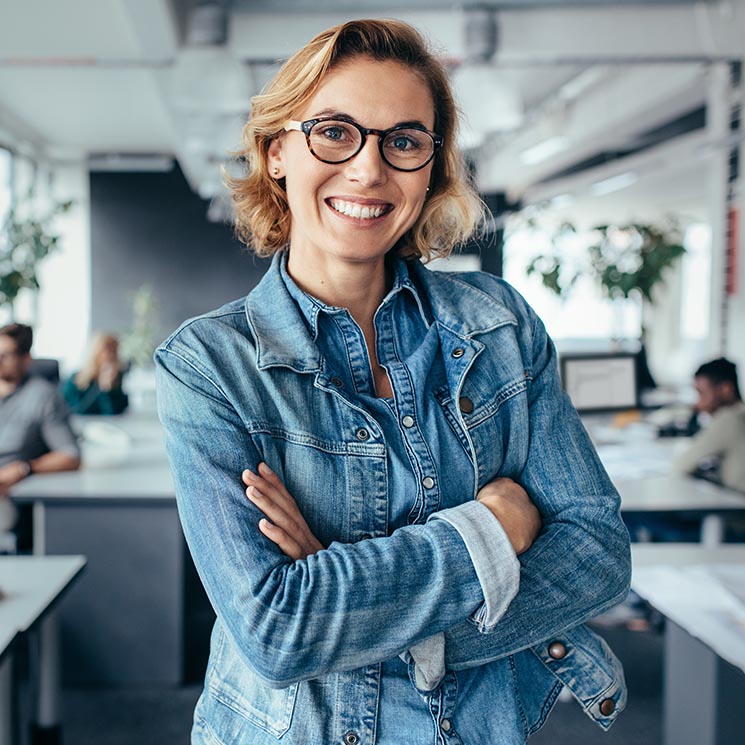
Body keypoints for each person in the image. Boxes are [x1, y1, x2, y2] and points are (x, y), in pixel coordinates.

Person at [155, 20, 631, 744]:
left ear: (431, 168)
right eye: (335, 133)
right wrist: (489, 529)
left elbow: (596, 550)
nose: (369, 170)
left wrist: (374, 615)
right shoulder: (210, 365)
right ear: (278, 150)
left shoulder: (498, 326)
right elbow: (277, 630)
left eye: (403, 141)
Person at [0, 323, 81, 530]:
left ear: (26, 359)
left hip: (7, 495)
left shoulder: (42, 396)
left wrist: (24, 469)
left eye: (6, 355)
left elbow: (70, 455)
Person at [672, 357, 745, 492]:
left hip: (737, 505)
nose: (698, 403)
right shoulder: (740, 413)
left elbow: (681, 465)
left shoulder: (728, 419)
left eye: (701, 393)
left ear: (725, 389)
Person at [63, 332, 129, 415]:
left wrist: (106, 389)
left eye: (113, 352)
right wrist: (98, 389)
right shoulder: (75, 379)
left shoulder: (116, 380)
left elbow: (113, 412)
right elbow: (77, 411)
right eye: (106, 352)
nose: (110, 356)